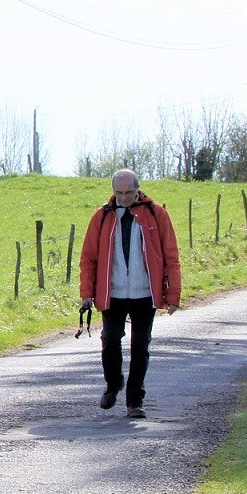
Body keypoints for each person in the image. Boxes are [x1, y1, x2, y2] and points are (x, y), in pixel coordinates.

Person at [78, 168, 181, 419]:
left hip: (145, 293)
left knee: (140, 346)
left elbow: (171, 257)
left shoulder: (157, 215)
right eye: (119, 192)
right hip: (111, 293)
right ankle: (113, 385)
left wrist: (173, 295)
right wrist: (86, 293)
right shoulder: (101, 217)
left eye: (129, 192)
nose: (124, 197)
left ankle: (135, 401)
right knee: (110, 341)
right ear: (113, 191)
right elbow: (88, 258)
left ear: (138, 189)